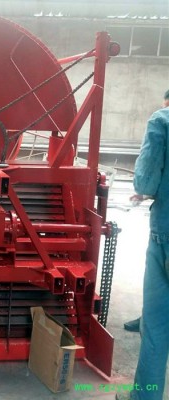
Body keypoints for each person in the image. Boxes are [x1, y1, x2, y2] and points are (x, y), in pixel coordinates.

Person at [116, 90, 169, 400]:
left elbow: (145, 182)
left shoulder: (162, 120)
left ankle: (145, 396)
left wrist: (148, 188)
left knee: (157, 323)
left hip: (167, 237)